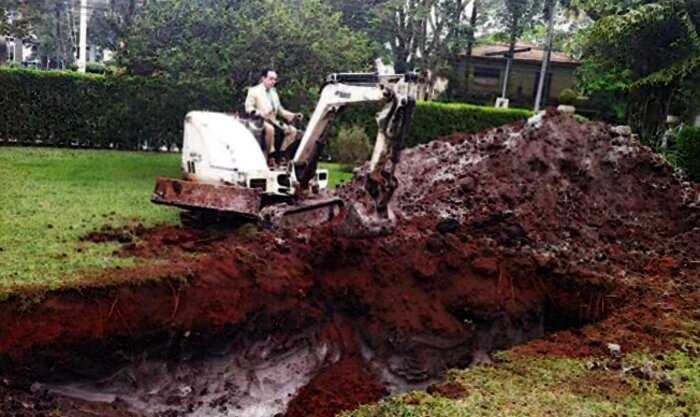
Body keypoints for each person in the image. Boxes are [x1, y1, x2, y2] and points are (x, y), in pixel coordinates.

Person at [245, 69, 303, 160]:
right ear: (263, 78)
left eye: (275, 79)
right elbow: (248, 108)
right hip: (259, 121)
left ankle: (281, 155)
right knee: (270, 129)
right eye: (271, 79)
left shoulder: (274, 93)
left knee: (293, 131)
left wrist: (294, 115)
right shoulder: (254, 91)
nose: (273, 82)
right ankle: (270, 156)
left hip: (273, 121)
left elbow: (280, 111)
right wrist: (259, 113)